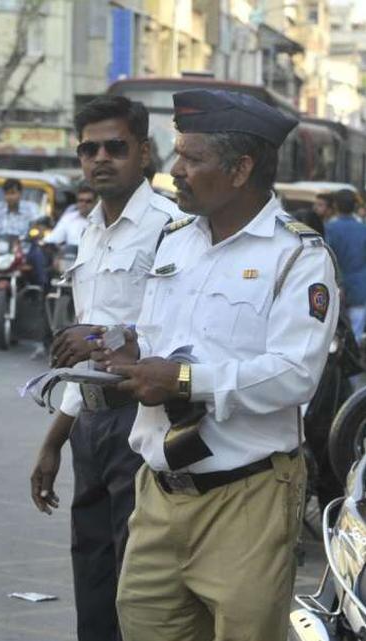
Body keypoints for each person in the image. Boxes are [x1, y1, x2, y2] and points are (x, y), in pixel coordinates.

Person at [98, 89, 338, 641]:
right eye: (177, 153)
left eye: (192, 157)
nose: (175, 170)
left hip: (246, 500)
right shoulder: (176, 243)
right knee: (143, 624)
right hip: (159, 491)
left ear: (240, 169)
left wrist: (183, 380)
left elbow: (295, 373)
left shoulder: (297, 257)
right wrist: (122, 355)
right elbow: (162, 340)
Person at [29, 95, 179, 641]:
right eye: (89, 148)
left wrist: (97, 337)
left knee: (136, 580)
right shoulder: (89, 229)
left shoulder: (172, 227)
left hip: (141, 421)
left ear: (143, 152)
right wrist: (54, 440)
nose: (101, 158)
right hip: (90, 423)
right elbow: (81, 351)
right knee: (91, 574)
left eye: (115, 146)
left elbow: (176, 335)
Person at [326, 189, 366, 339]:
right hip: (360, 288)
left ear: (335, 205)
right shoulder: (363, 229)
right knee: (355, 334)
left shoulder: (329, 228)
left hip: (335, 287)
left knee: (334, 335)